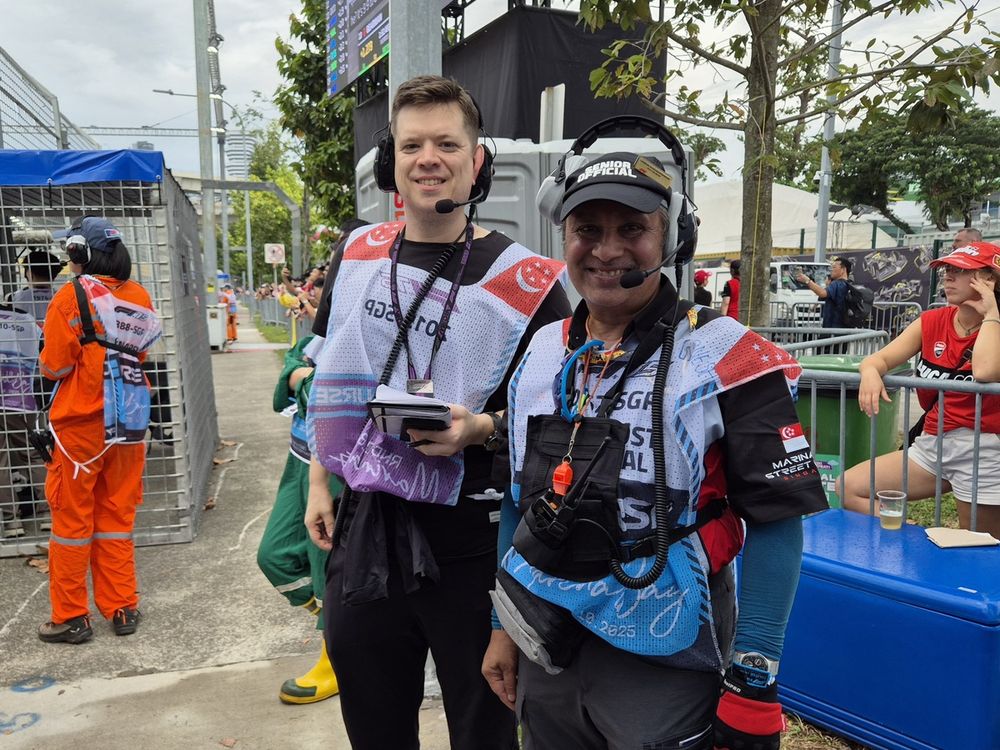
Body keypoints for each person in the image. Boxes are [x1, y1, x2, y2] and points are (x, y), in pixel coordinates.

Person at [481, 147, 828, 749]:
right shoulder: (538, 351)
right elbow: (519, 499)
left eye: (633, 229)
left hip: (665, 645)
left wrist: (754, 682)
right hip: (547, 640)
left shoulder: (728, 356)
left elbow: (778, 523)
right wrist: (501, 624)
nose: (608, 249)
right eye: (588, 229)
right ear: (565, 237)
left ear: (672, 238)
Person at [304, 75, 570, 750]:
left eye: (448, 143)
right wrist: (314, 479)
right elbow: (324, 372)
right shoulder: (356, 253)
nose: (430, 158)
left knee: (484, 733)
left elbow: (561, 425)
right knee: (374, 727)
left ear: (476, 160)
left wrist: (478, 428)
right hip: (367, 529)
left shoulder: (527, 282)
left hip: (474, 543)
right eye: (413, 143)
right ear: (392, 161)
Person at [36, 216, 162, 644]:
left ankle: (71, 616)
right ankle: (122, 606)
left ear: (78, 253)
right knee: (116, 517)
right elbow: (141, 355)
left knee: (72, 524)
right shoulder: (139, 295)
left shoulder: (68, 299)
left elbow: (54, 367)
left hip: (79, 431)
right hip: (128, 424)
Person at [841, 241, 1000, 537]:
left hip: (985, 451)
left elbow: (986, 370)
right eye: (946, 270)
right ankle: (914, 543)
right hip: (932, 445)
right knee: (849, 488)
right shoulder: (932, 321)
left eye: (960, 270)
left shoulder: (996, 326)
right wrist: (871, 372)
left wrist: (991, 310)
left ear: (989, 279)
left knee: (978, 547)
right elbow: (878, 358)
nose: (948, 277)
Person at [256, 332, 345, 703]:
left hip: (338, 466)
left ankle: (336, 657)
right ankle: (341, 630)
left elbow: (332, 390)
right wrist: (306, 379)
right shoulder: (318, 334)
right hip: (300, 458)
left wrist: (310, 382)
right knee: (273, 555)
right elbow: (292, 368)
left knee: (329, 566)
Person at [796, 256, 851, 328]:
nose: (831, 270)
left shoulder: (837, 284)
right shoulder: (848, 284)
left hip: (833, 327)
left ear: (843, 270)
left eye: (834, 267)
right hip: (843, 327)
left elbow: (822, 293)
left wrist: (807, 281)